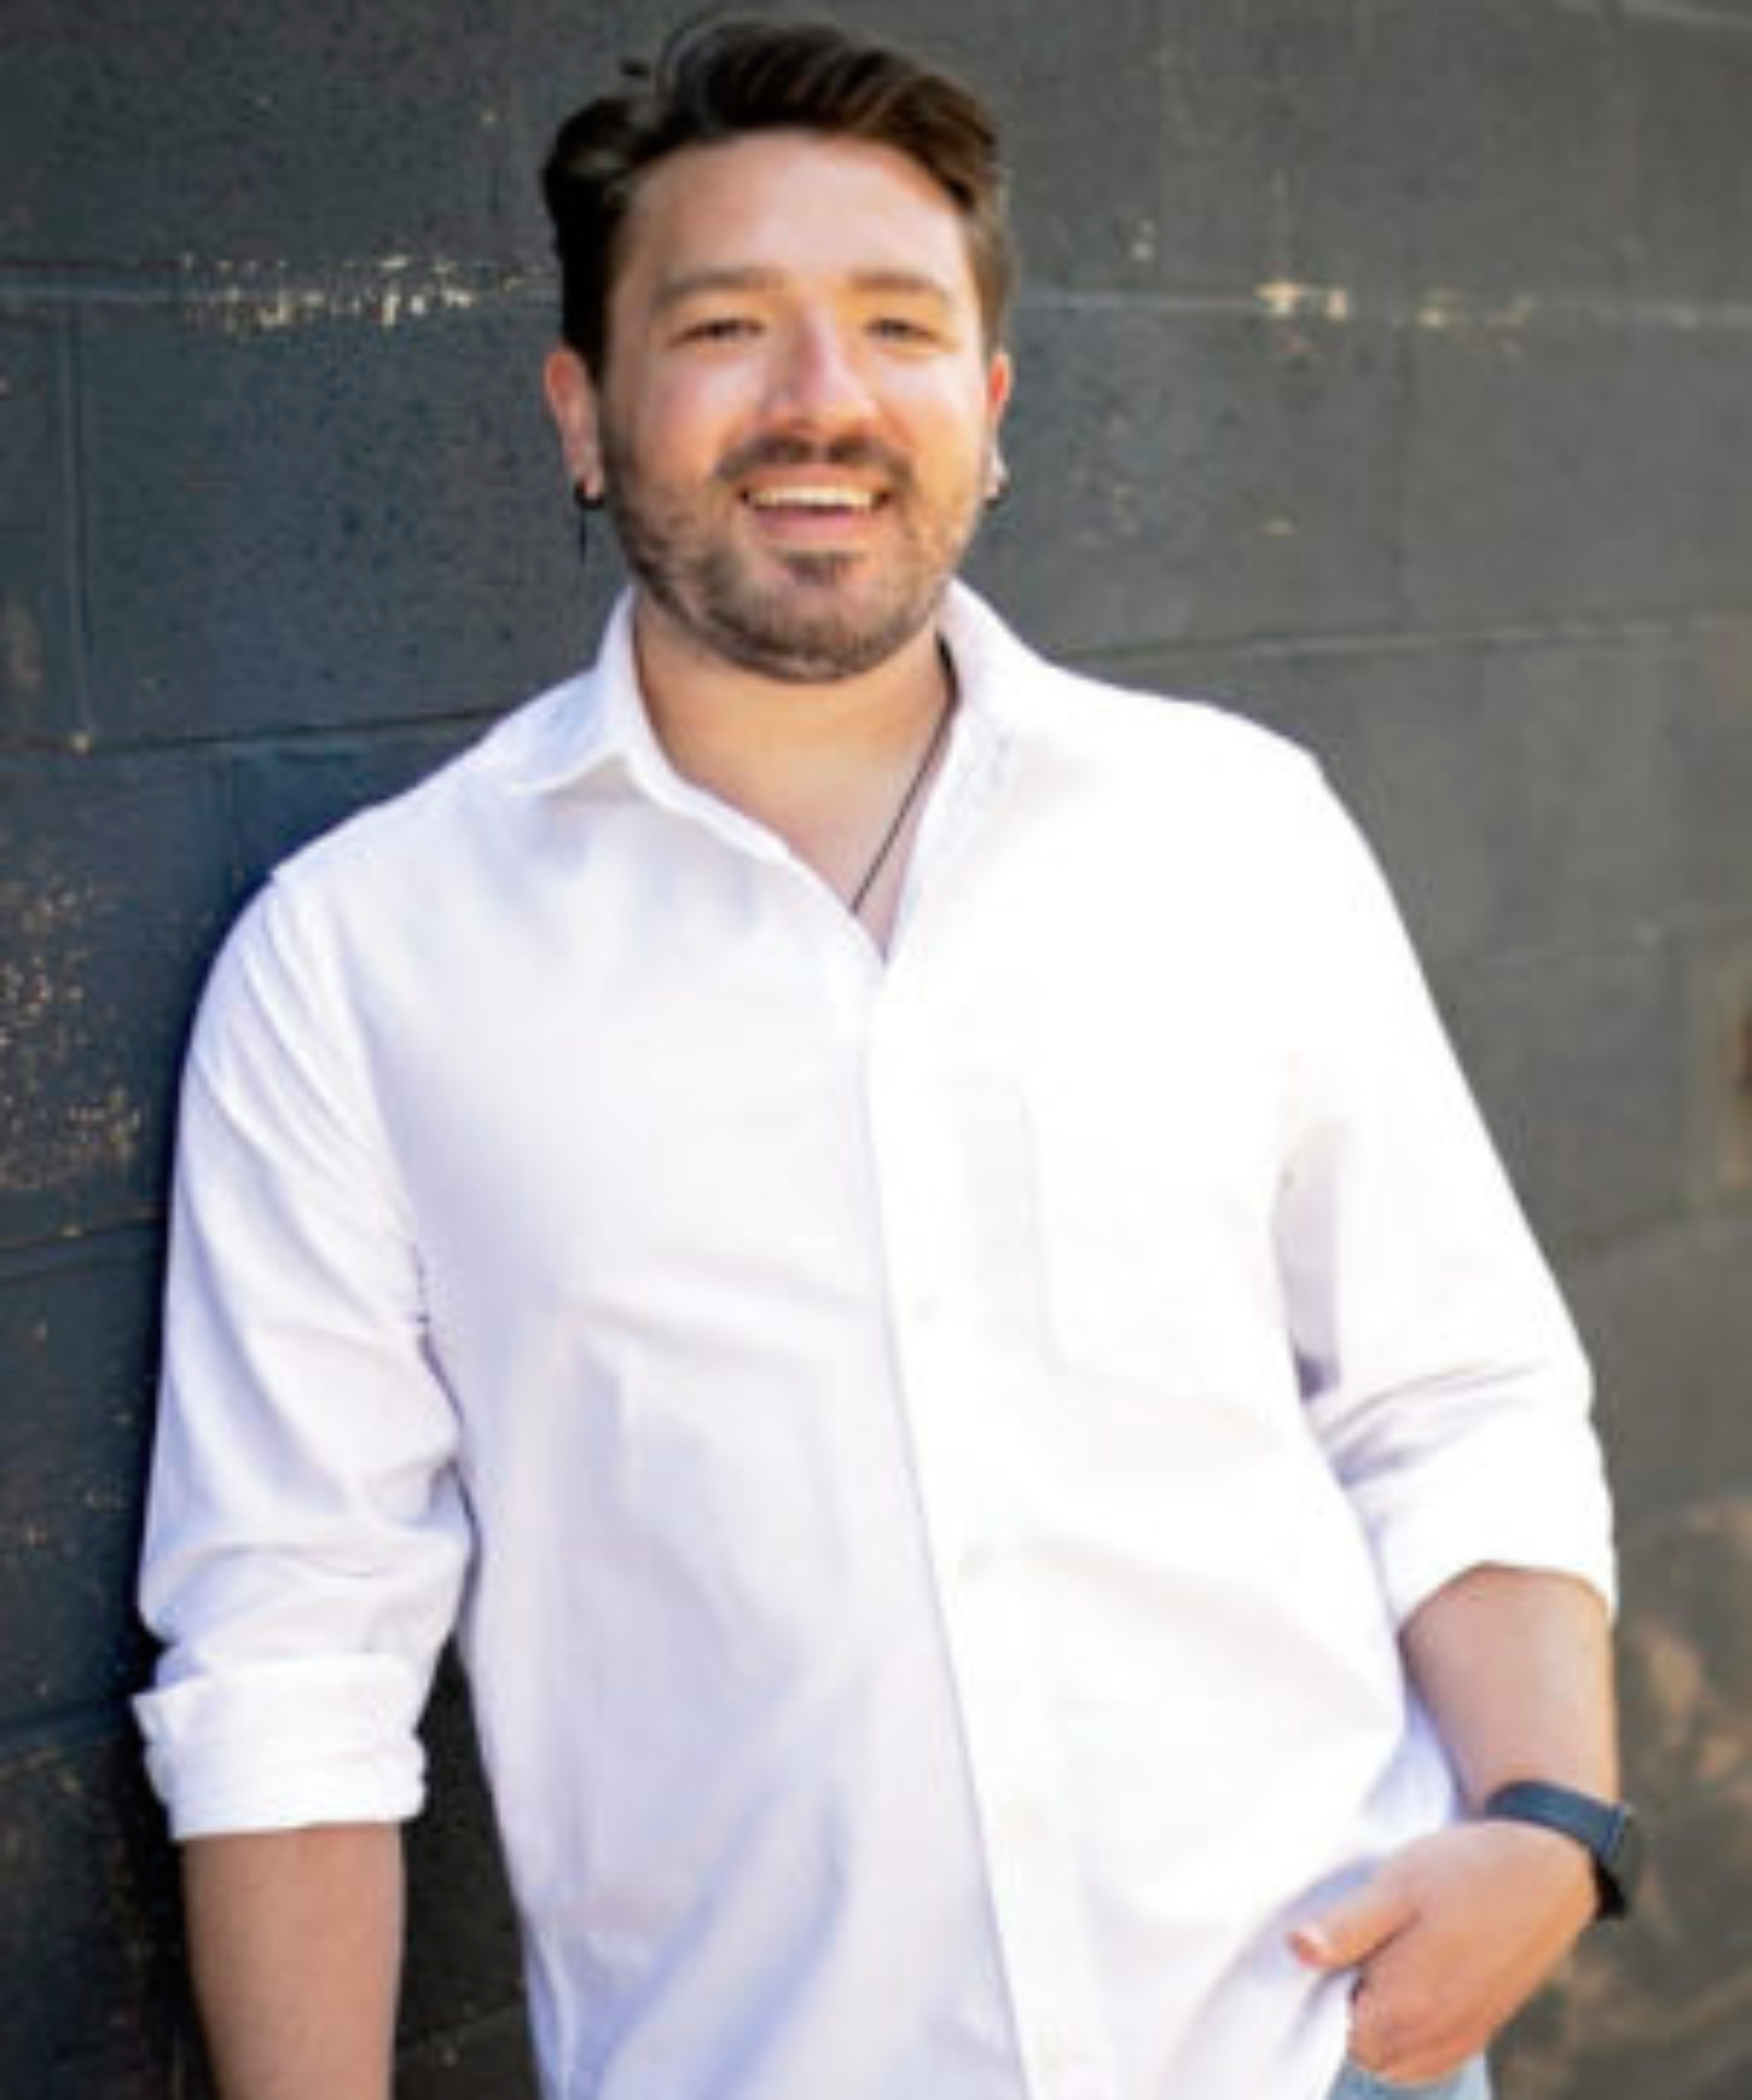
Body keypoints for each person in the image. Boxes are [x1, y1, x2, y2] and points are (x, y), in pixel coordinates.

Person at [134, 17, 1635, 2100]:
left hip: (1321, 2060)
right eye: (726, 324)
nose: (822, 400)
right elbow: (288, 1650)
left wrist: (1550, 1816)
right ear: (584, 412)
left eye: (898, 326)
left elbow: (1449, 1390)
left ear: (991, 408)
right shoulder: (363, 963)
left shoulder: (1234, 829)